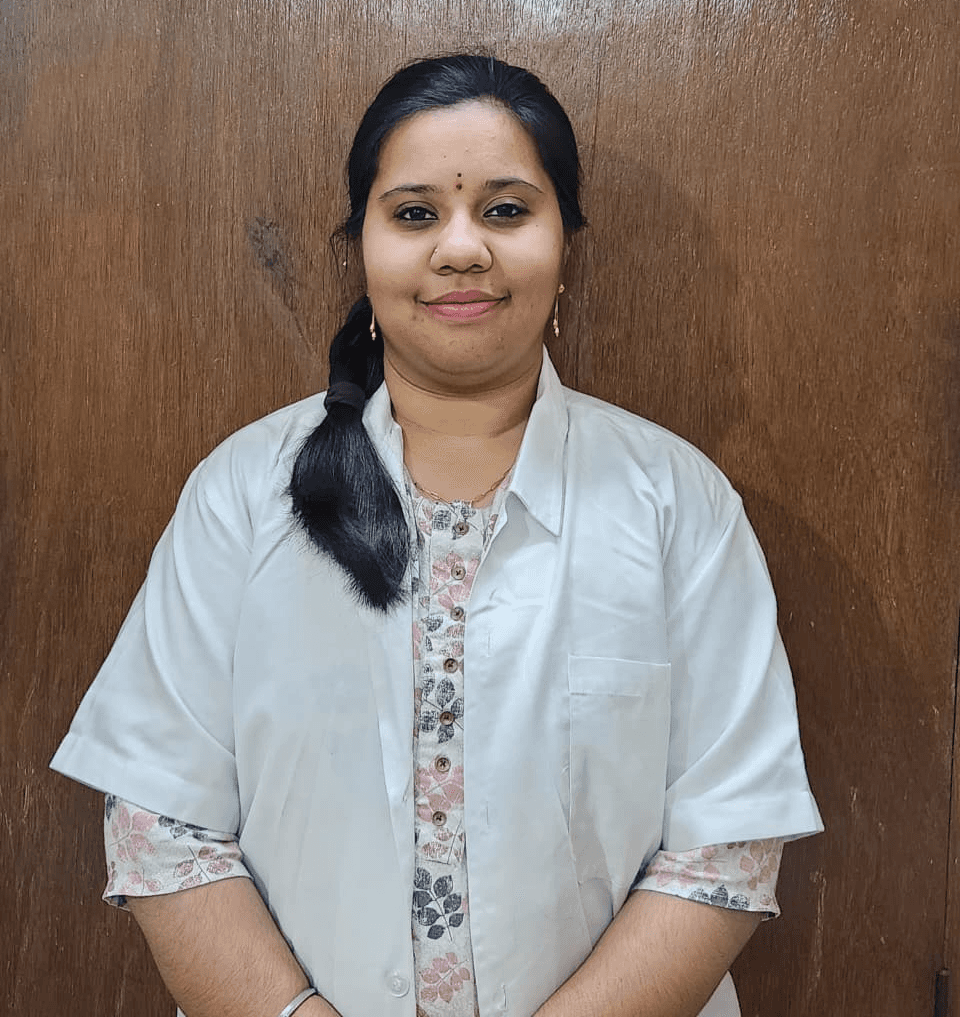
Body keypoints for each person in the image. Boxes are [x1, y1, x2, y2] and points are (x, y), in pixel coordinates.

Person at [51, 54, 822, 1017]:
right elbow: (160, 821)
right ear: (361, 245)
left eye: (506, 210)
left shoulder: (676, 504)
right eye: (415, 213)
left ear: (565, 242)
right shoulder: (243, 494)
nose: (462, 249)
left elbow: (727, 845)